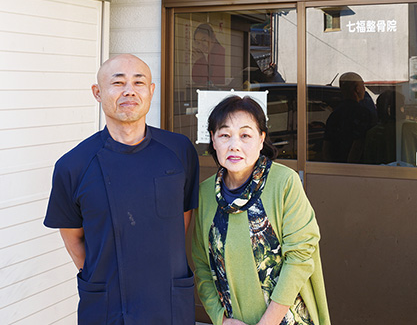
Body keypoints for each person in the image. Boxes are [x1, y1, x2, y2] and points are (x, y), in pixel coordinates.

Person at [44, 53, 199, 325]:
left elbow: (182, 218)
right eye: (118, 83)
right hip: (107, 306)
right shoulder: (73, 165)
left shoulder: (179, 150)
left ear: (151, 91)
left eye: (139, 83)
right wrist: (101, 278)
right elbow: (73, 238)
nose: (129, 90)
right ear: (98, 93)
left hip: (169, 301)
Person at [192, 95, 330, 325]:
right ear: (213, 141)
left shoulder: (284, 182)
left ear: (261, 139)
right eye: (224, 135)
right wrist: (221, 319)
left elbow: (300, 255)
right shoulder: (205, 194)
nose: (234, 145)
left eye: (245, 135)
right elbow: (202, 266)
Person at [323, 72, 375, 163]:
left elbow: (326, 146)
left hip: (336, 167)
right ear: (357, 89)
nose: (364, 89)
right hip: (355, 169)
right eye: (363, 86)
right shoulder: (363, 113)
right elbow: (358, 145)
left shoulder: (334, 114)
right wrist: (350, 167)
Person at [192, 23, 225, 87]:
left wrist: (201, 60)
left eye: (204, 40)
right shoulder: (211, 54)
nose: (201, 46)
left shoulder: (220, 53)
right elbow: (196, 79)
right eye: (198, 43)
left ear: (213, 37)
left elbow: (212, 83)